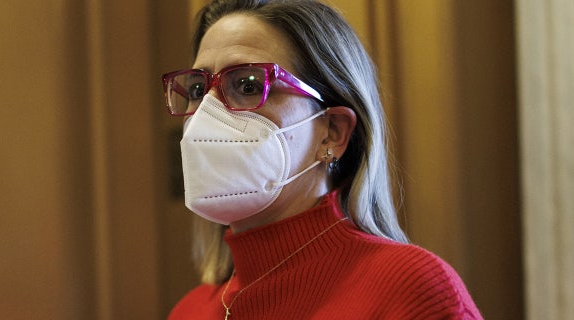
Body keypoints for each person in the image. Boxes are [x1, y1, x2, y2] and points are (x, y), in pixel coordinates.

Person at [162, 0, 482, 319]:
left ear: (332, 132)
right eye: (196, 89)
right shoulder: (189, 311)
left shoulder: (412, 291)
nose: (207, 113)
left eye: (248, 85)